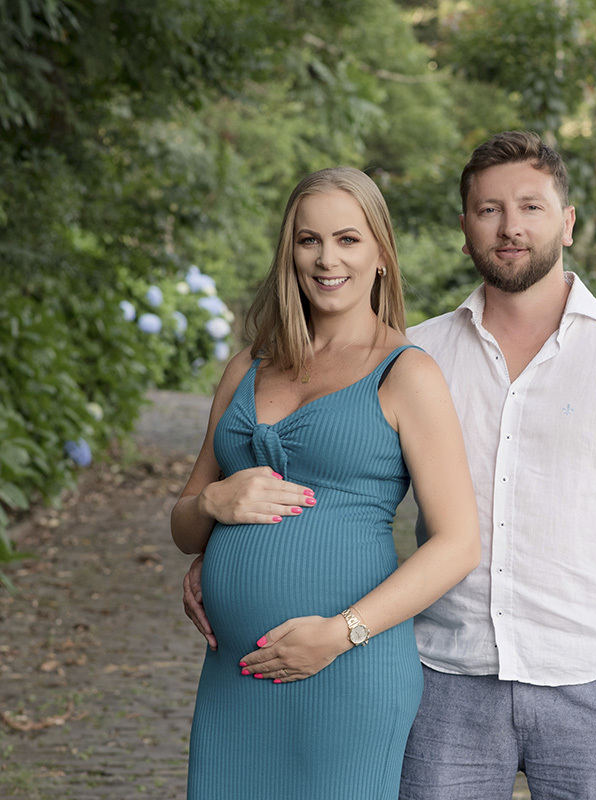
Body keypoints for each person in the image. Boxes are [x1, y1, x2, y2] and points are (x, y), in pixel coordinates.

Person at [184, 132, 596, 799]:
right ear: (464, 231)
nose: (510, 226)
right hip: (446, 683)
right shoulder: (417, 352)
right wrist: (216, 554)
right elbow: (335, 478)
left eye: (530, 206)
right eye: (488, 210)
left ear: (569, 222)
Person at [170, 166, 479, 800]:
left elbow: (458, 543)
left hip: (347, 669)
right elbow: (182, 527)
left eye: (347, 239)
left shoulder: (406, 372)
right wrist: (211, 502)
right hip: (235, 674)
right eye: (309, 241)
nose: (326, 258)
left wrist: (339, 634)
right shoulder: (247, 367)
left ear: (380, 256)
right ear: (290, 252)